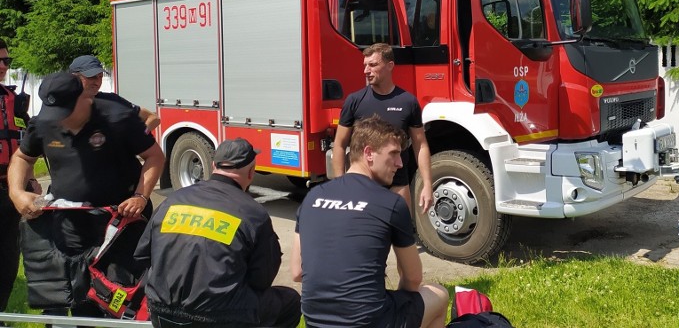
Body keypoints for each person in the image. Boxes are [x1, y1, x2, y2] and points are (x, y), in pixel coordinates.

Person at [6, 71, 165, 319]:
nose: (60, 121)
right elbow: (22, 158)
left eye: (65, 112)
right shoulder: (44, 123)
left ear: (84, 98)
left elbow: (154, 156)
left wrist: (140, 196)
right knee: (75, 296)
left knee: (123, 298)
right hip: (70, 226)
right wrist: (17, 192)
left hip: (118, 226)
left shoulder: (118, 118)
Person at [292, 115, 449, 328]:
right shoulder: (391, 203)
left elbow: (297, 272)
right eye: (393, 154)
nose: (400, 163)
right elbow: (413, 280)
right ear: (368, 153)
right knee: (438, 295)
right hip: (369, 322)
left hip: (315, 321)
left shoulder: (311, 198)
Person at [136, 138, 301, 328]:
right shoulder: (253, 213)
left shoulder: (172, 201)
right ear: (251, 172)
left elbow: (142, 256)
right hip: (218, 318)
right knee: (290, 302)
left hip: (160, 312)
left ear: (213, 165)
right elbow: (262, 279)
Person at [331, 43, 433, 212]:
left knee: (401, 235)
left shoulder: (408, 102)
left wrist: (428, 184)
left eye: (372, 65)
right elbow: (339, 145)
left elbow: (420, 145)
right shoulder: (354, 101)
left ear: (390, 66)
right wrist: (340, 184)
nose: (366, 70)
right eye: (365, 65)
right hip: (361, 185)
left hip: (398, 184)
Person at [0, 38, 36, 315]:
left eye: (7, 61)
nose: (4, 66)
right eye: (0, 61)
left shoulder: (13, 100)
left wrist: (30, 178)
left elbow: (25, 147)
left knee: (8, 259)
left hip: (8, 189)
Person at [70, 55, 160, 132]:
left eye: (100, 77)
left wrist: (140, 137)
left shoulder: (112, 101)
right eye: (91, 77)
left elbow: (153, 118)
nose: (97, 82)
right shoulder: (60, 104)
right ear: (74, 77)